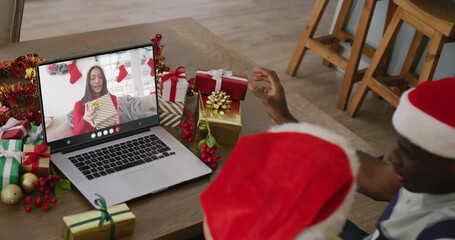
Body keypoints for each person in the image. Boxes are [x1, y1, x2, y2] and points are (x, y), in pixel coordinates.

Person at [247, 67, 455, 239]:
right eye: (399, 145)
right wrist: (286, 119)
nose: (393, 157)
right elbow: (377, 177)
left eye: (408, 154)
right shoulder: (430, 175)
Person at [73, 65, 120, 135]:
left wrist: (116, 125)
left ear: (103, 80)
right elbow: (76, 135)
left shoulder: (113, 99)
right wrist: (84, 120)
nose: (97, 81)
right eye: (92, 78)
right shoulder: (79, 105)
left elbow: (118, 129)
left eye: (100, 77)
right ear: (88, 82)